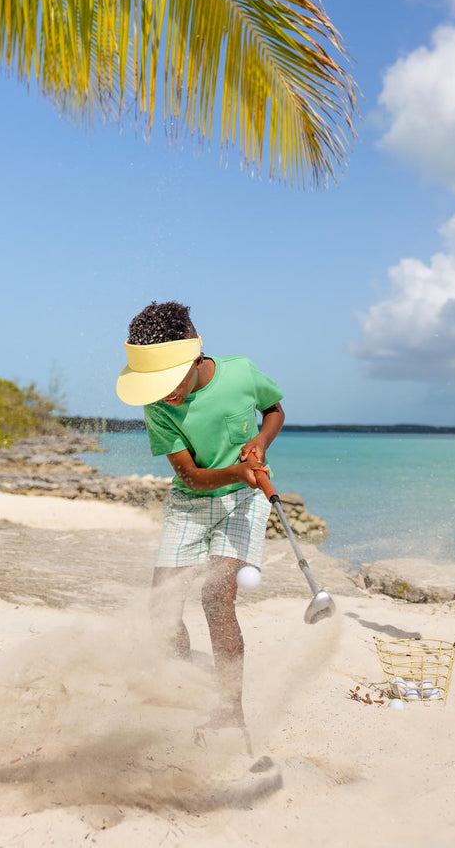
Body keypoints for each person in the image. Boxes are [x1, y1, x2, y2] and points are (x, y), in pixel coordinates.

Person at [116, 300, 285, 733]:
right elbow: (190, 476)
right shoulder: (158, 405)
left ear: (194, 358)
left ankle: (231, 711)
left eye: (170, 381)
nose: (165, 394)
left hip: (243, 503)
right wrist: (237, 470)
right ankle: (184, 692)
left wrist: (261, 444)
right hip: (191, 502)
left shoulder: (242, 373)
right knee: (163, 605)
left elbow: (275, 409)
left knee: (216, 598)